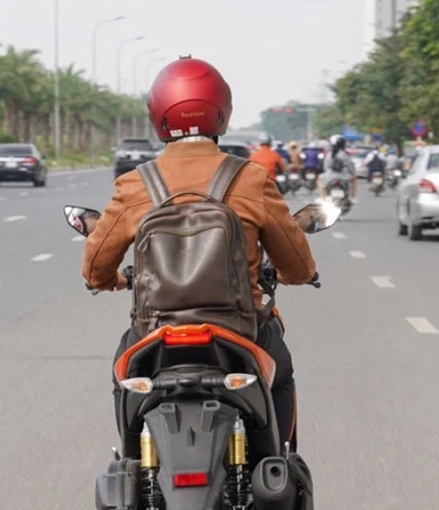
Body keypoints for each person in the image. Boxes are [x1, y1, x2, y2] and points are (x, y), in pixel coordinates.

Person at [81, 55, 319, 453]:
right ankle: (275, 463)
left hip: (155, 332)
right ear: (221, 111)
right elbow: (296, 262)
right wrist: (298, 274)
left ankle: (133, 463)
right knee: (280, 372)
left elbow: (95, 268)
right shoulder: (251, 177)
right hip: (239, 331)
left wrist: (110, 280)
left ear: (158, 115)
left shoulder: (135, 183)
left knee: (124, 376)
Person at [318, 134, 358, 200]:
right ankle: (352, 197)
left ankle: (323, 198)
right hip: (344, 177)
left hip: (329, 177)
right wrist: (351, 173)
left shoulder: (329, 154)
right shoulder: (345, 154)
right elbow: (351, 168)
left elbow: (325, 167)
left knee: (319, 179)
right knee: (355, 178)